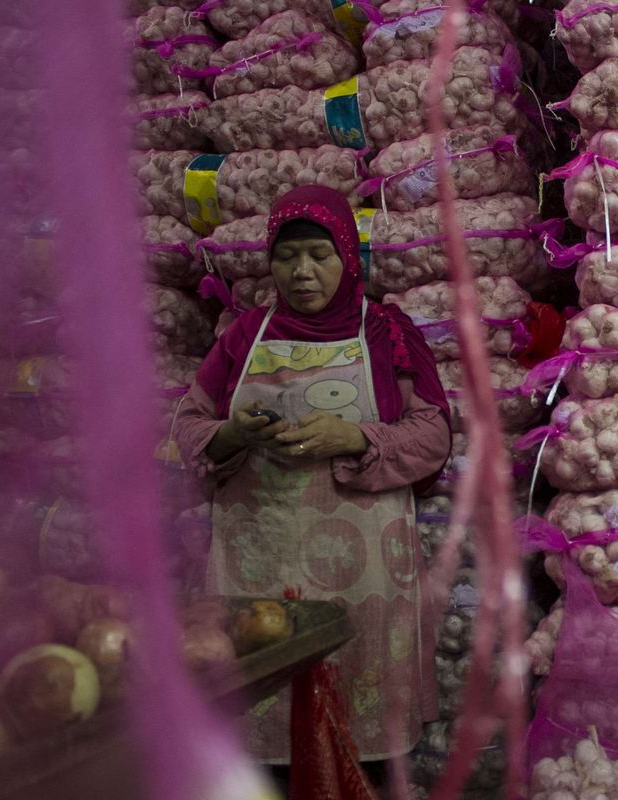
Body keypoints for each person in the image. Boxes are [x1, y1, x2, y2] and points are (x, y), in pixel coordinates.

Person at [174, 185, 451, 781]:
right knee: (266, 740)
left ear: (349, 257)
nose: (302, 272)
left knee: (362, 746)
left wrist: (353, 438)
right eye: (286, 256)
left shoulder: (385, 332)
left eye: (319, 255)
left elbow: (432, 435)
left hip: (365, 576)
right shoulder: (245, 334)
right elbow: (190, 427)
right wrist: (234, 434)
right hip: (260, 563)